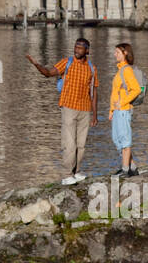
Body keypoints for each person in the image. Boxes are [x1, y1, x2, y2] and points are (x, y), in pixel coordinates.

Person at [26, 38, 98, 185]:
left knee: (81, 145)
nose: (77, 50)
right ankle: (66, 175)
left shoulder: (92, 68)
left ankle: (76, 172)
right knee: (69, 143)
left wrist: (95, 114)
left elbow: (94, 92)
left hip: (85, 109)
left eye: (80, 48)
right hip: (69, 107)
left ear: (87, 51)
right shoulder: (67, 62)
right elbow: (48, 73)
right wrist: (36, 64)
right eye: (75, 47)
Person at [108, 42, 140, 176]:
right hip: (117, 111)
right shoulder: (120, 70)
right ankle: (133, 166)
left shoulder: (126, 70)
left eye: (117, 52)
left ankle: (125, 170)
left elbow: (136, 89)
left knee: (124, 140)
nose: (114, 54)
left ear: (125, 53)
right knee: (117, 140)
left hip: (123, 110)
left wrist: (122, 103)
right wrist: (111, 111)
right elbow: (115, 92)